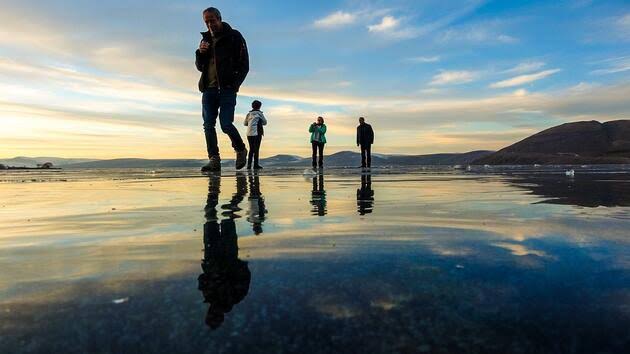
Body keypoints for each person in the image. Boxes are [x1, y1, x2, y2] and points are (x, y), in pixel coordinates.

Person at [195, 7, 249, 172]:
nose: (210, 24)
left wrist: (234, 85)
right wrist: (200, 53)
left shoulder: (234, 36)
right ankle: (214, 160)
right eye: (206, 21)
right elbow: (200, 67)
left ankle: (240, 149)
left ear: (219, 18)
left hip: (227, 89)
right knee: (208, 125)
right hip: (208, 89)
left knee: (226, 124)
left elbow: (244, 65)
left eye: (212, 20)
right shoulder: (206, 39)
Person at [244, 100, 267, 169]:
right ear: (259, 106)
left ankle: (249, 165)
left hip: (249, 133)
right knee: (256, 149)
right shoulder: (259, 114)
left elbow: (245, 123)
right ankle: (255, 165)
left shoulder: (249, 114)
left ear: (252, 106)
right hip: (257, 133)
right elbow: (265, 122)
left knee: (251, 149)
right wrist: (259, 123)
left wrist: (251, 123)